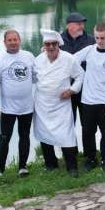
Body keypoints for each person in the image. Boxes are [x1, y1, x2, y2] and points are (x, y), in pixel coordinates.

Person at [34, 29, 83, 177]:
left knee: (66, 134)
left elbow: (80, 76)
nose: (50, 47)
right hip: (42, 104)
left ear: (58, 44)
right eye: (47, 44)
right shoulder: (38, 60)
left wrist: (72, 90)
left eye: (53, 44)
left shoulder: (69, 59)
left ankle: (72, 167)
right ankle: (50, 163)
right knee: (44, 133)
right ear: (44, 45)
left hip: (61, 105)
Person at [76, 23, 105, 172]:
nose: (99, 41)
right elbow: (69, 59)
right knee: (87, 132)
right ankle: (90, 159)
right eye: (97, 37)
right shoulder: (88, 51)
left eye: (102, 38)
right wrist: (49, 50)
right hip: (88, 101)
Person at [0, 28, 36, 177]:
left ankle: (22, 166)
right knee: (4, 138)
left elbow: (37, 77)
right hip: (8, 109)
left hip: (27, 107)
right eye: (9, 40)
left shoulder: (29, 56)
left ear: (19, 41)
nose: (13, 43)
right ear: (4, 43)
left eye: (15, 39)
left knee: (24, 136)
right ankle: (0, 170)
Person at [60, 11, 94, 120]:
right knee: (68, 123)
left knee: (88, 123)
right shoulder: (58, 41)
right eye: (79, 24)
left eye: (82, 24)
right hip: (66, 89)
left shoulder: (91, 40)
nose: (82, 27)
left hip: (86, 89)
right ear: (69, 25)